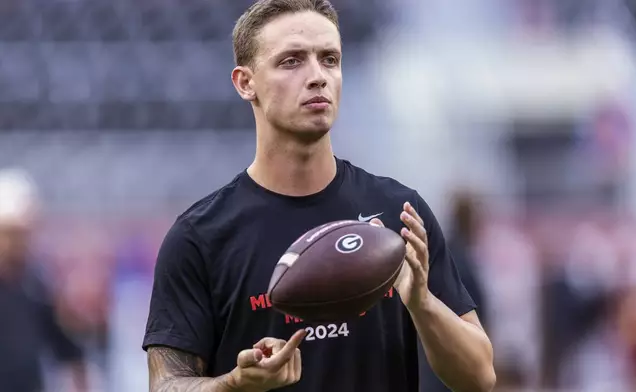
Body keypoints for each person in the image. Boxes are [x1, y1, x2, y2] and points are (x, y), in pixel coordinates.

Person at [142, 1, 496, 391]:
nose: (318, 77)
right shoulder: (200, 237)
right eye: (291, 61)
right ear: (246, 83)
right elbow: (166, 384)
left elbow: (479, 378)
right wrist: (234, 383)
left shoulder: (400, 212)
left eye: (329, 59)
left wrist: (422, 302)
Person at [0, 168, 88, 392]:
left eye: (23, 234)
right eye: (11, 233)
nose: (18, 242)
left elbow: (66, 348)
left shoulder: (36, 285)